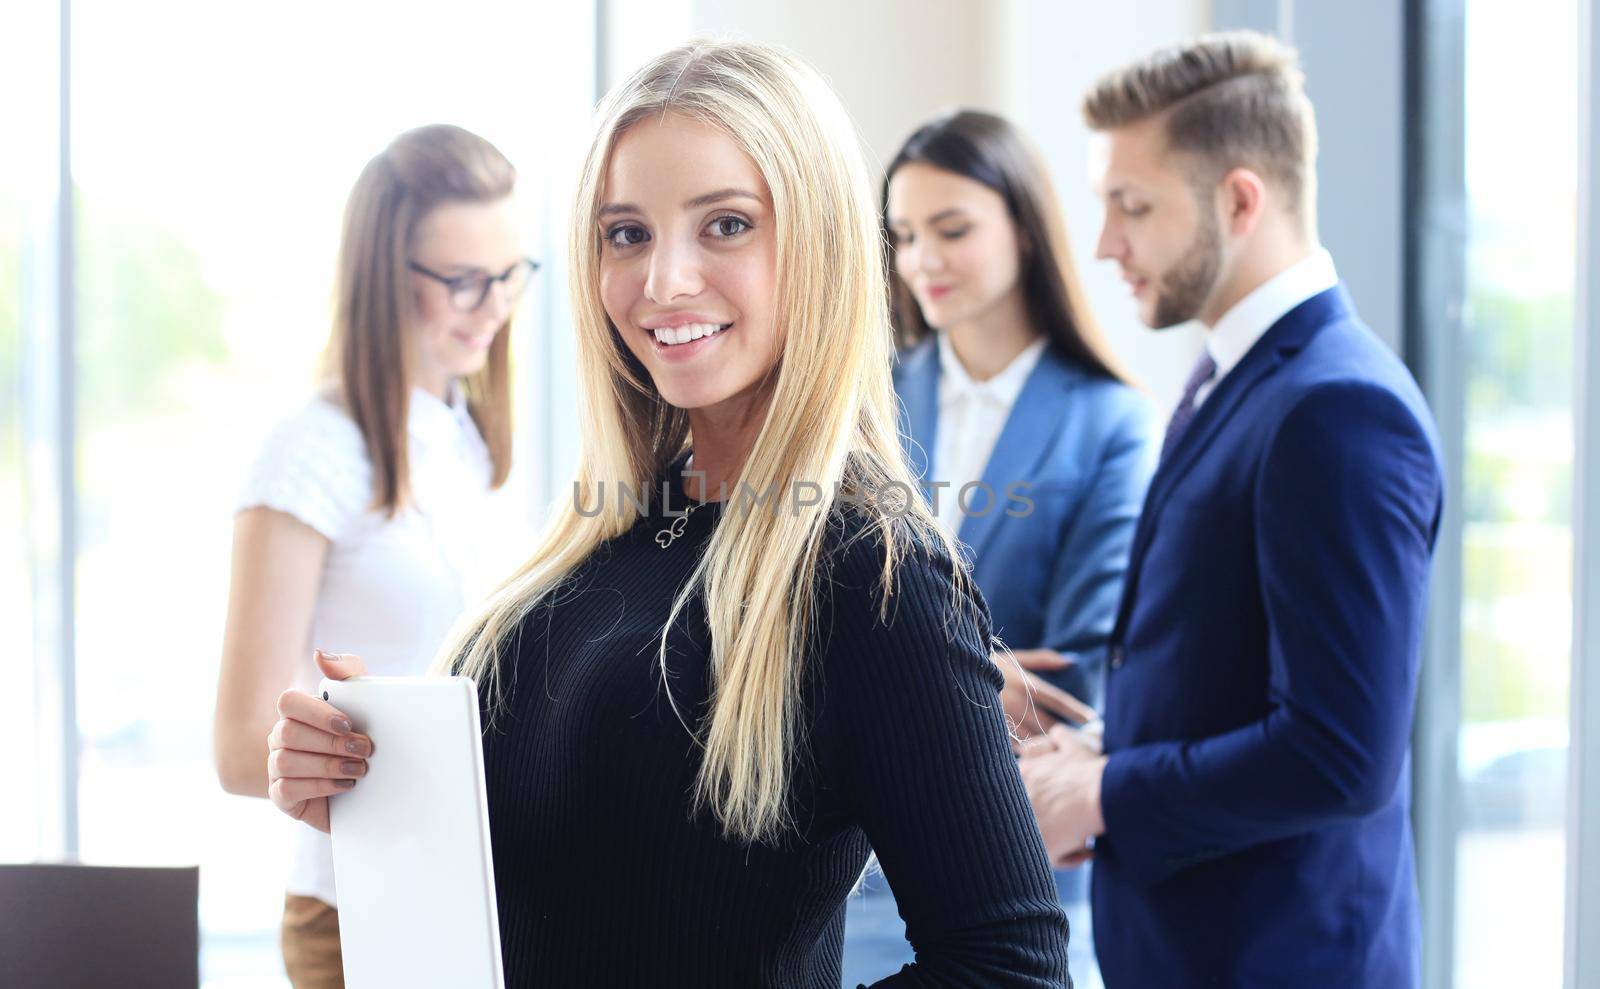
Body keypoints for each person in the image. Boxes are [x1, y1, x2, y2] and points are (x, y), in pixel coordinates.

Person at [264, 40, 1072, 989]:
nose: (663, 282)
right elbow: (570, 878)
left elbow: (1009, 969)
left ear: (818, 243)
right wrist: (361, 780)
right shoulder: (595, 540)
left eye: (726, 224)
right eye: (626, 233)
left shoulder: (869, 570)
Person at [1017, 31, 1444, 987]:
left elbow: (1341, 755)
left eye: (1133, 207)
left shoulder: (1339, 408)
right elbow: (1232, 668)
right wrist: (1095, 746)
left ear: (1240, 200)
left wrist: (1106, 792)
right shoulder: (1236, 379)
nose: (1103, 244)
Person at [212, 124, 533, 988]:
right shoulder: (311, 453)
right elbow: (244, 747)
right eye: (464, 281)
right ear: (383, 279)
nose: (494, 306)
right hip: (358, 908)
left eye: (508, 275)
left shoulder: (464, 435)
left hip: (470, 894)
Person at [841, 108, 1156, 988]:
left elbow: (1077, 681)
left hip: (1018, 878)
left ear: (1023, 226)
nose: (922, 260)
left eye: (952, 229)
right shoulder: (859, 403)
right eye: (903, 235)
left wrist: (883, 684)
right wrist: (981, 673)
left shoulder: (1111, 422)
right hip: (840, 885)